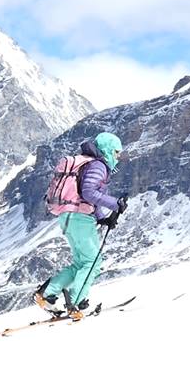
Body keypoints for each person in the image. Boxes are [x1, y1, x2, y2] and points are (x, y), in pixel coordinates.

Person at [34, 132, 128, 320]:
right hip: (78, 217)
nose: (118, 157)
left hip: (69, 216)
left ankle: (47, 294)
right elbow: (88, 192)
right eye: (116, 152)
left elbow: (83, 196)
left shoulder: (87, 163)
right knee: (93, 262)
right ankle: (76, 302)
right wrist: (115, 203)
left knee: (81, 263)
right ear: (107, 150)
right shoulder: (99, 165)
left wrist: (102, 218)